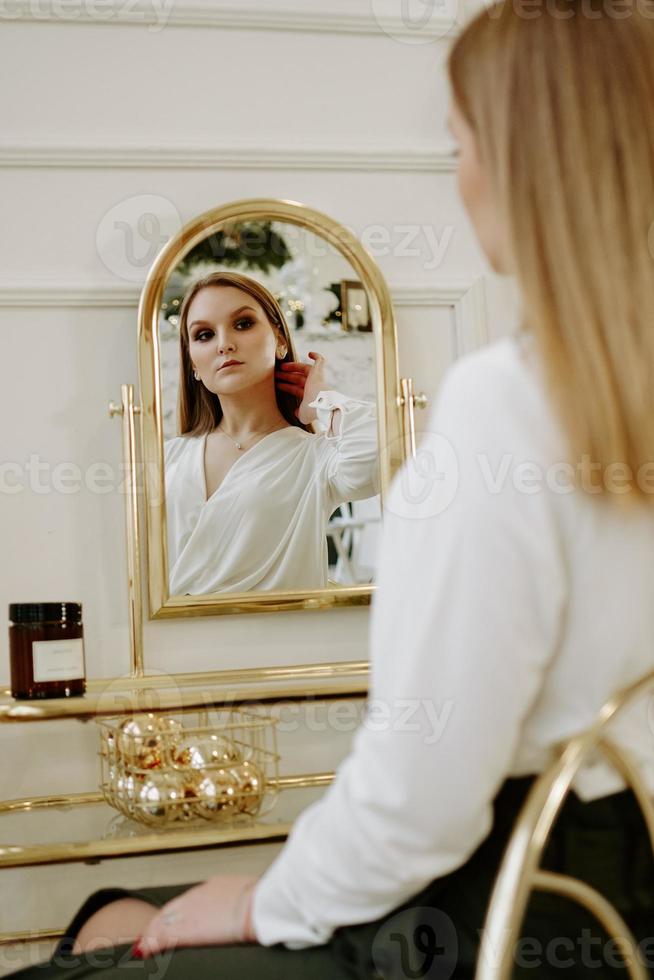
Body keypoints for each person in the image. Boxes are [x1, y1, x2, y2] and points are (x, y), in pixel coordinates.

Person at [11, 0, 654, 975]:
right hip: (613, 906)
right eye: (200, 331)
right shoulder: (561, 401)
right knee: (119, 906)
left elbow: (421, 799)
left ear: (522, 167)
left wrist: (269, 896)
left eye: (460, 147)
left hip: (496, 923)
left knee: (98, 944)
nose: (461, 178)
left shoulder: (501, 405)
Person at [162, 271, 379, 594]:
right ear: (193, 363)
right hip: (176, 642)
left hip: (283, 640)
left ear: (279, 339)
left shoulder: (315, 458)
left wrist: (322, 399)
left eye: (243, 324)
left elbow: (384, 455)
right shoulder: (169, 457)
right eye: (205, 334)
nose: (225, 344)